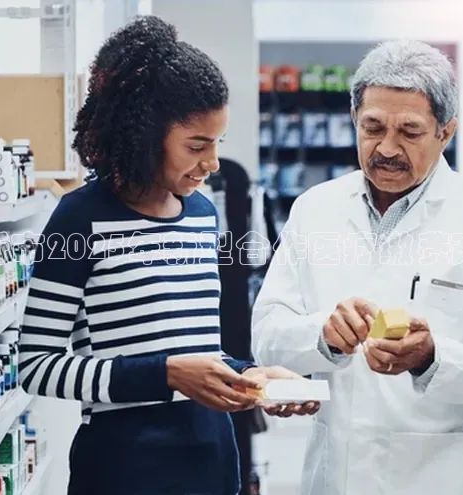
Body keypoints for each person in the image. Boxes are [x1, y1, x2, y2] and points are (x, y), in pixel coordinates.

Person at [18, 16, 317, 495]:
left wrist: (250, 377)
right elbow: (36, 364)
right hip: (122, 469)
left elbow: (199, 350)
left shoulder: (200, 214)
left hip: (212, 460)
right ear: (142, 134)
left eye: (217, 142)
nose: (213, 162)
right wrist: (165, 374)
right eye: (196, 145)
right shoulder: (79, 219)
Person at [251, 40, 463, 495]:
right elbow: (267, 333)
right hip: (338, 474)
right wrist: (324, 336)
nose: (386, 148)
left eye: (409, 132)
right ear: (354, 120)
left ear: (445, 133)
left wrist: (433, 358)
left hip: (439, 476)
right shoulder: (316, 210)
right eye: (372, 127)